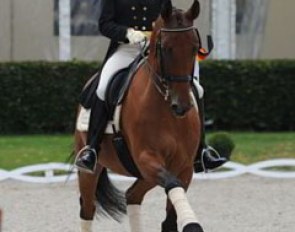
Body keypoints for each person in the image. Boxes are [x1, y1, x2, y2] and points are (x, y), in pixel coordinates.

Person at [75, 0, 226, 173]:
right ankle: (92, 150)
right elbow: (105, 25)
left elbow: (169, 15)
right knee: (102, 87)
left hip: (160, 49)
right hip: (127, 48)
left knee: (196, 89)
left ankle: (201, 151)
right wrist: (127, 33)